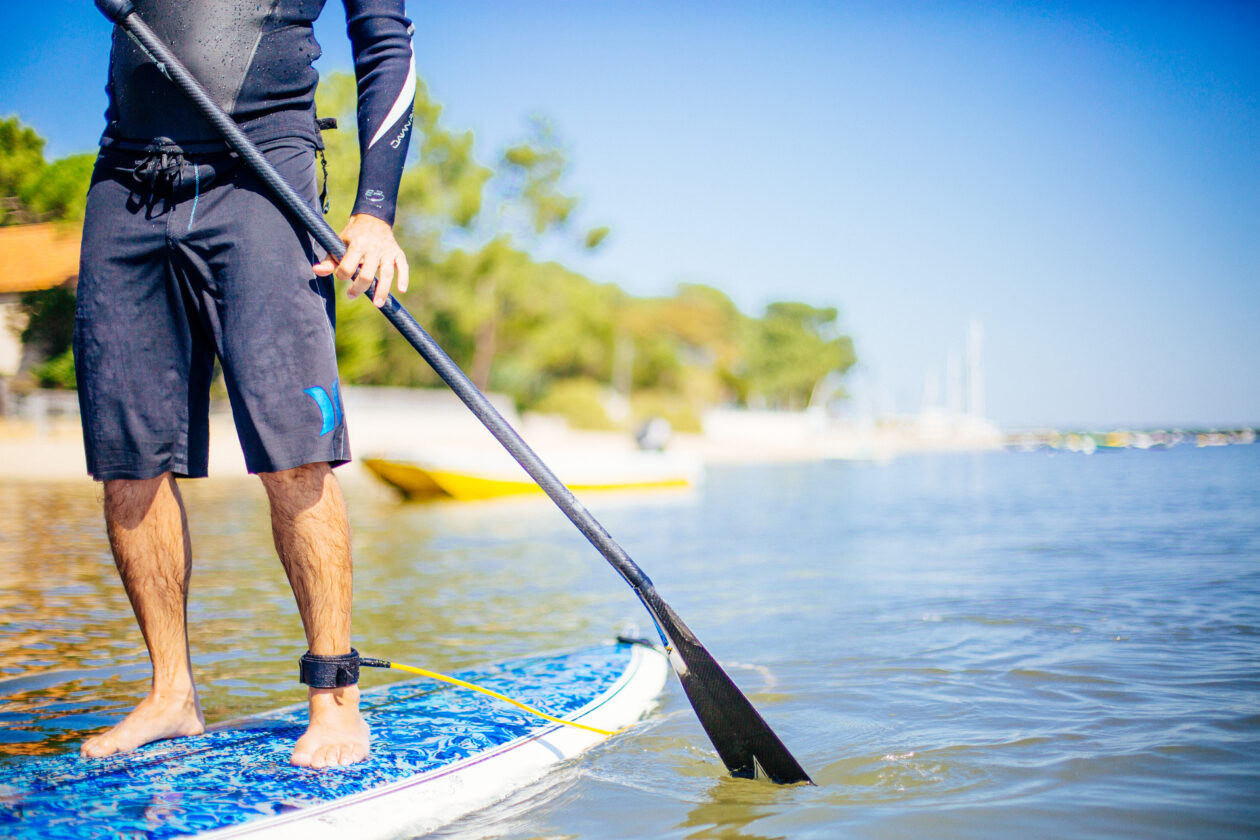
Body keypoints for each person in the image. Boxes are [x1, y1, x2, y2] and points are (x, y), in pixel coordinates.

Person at [73, 0, 417, 768]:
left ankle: (335, 701)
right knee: (131, 462)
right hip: (126, 179)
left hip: (263, 179)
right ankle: (171, 695)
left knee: (296, 453)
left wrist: (375, 211)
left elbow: (386, 43)